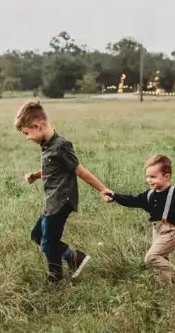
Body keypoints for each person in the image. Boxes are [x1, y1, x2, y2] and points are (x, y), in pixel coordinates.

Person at [16, 99, 113, 283]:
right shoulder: (47, 145)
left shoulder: (61, 145)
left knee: (48, 242)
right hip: (51, 201)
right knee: (37, 235)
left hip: (61, 201)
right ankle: (74, 257)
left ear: (37, 126)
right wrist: (36, 175)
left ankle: (56, 277)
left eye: (27, 133)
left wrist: (103, 189)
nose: (27, 138)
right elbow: (53, 169)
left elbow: (79, 170)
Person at [104, 154, 175, 291]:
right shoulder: (150, 194)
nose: (149, 180)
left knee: (151, 257)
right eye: (147, 177)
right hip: (156, 232)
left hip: (170, 232)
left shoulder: (174, 193)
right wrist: (114, 196)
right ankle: (169, 290)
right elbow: (132, 200)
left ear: (166, 177)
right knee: (162, 263)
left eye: (153, 177)